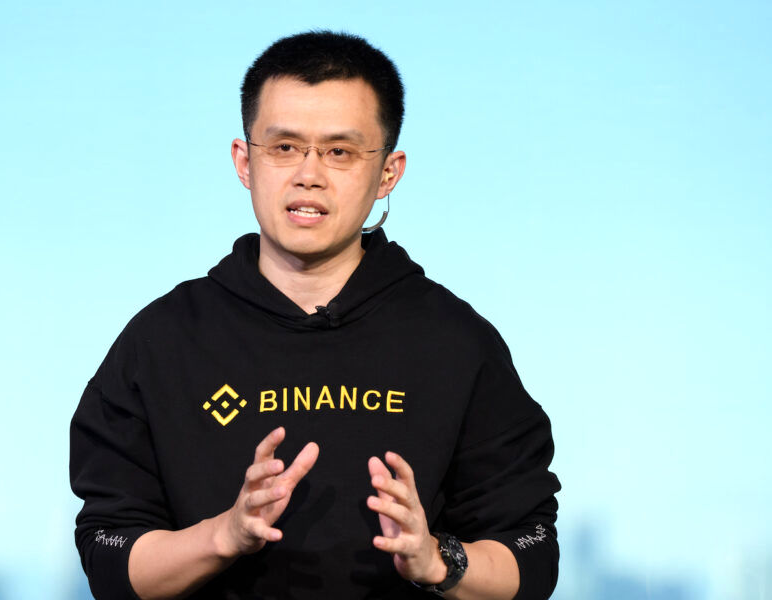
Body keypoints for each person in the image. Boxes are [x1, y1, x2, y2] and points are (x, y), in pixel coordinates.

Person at [70, 31, 560, 600]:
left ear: (388, 173)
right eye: (284, 147)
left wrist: (435, 559)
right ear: (244, 161)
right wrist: (224, 535)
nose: (309, 174)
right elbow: (110, 557)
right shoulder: (163, 341)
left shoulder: (455, 343)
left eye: (339, 152)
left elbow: (532, 557)